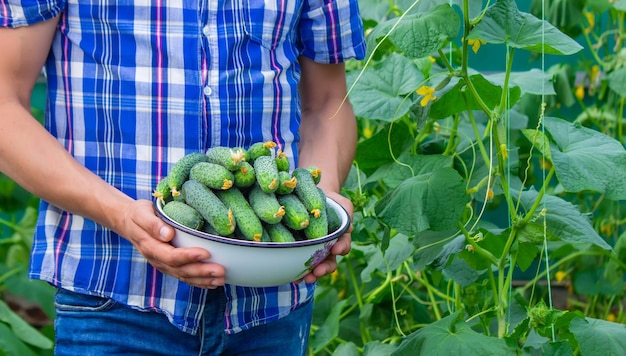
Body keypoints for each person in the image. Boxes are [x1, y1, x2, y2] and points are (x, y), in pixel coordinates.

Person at [0, 0, 365, 354]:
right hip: (113, 298)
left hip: (274, 303)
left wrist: (320, 202)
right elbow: (5, 106)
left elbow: (328, 101)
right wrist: (122, 215)